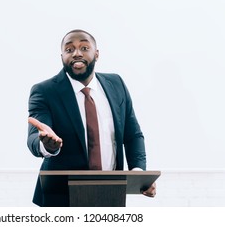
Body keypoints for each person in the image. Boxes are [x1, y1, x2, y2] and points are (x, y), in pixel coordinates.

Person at [27, 29, 156, 206]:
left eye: (84, 47)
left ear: (96, 54)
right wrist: (46, 144)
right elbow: (34, 137)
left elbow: (132, 135)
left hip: (111, 192)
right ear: (62, 56)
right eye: (69, 49)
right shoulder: (45, 91)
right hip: (61, 198)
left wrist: (138, 174)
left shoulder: (116, 84)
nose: (77, 53)